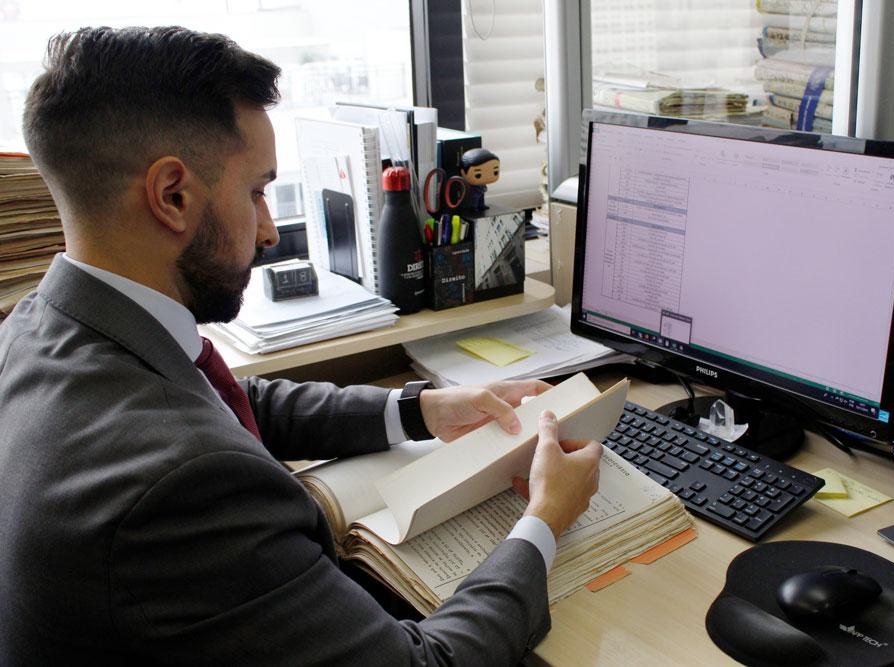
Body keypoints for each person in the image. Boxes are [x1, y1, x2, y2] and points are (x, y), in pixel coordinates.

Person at [0, 26, 603, 664]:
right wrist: (542, 520)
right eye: (257, 191)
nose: (267, 231)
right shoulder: (179, 491)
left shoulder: (40, 328)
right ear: (172, 195)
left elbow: (223, 397)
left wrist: (421, 410)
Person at [459, 147, 501, 211]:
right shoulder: (469, 186)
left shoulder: (482, 183)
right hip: (473, 189)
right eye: (478, 175)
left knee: (481, 196)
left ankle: (481, 205)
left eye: (495, 172)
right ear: (463, 172)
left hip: (480, 187)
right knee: (474, 198)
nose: (487, 178)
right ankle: (472, 207)